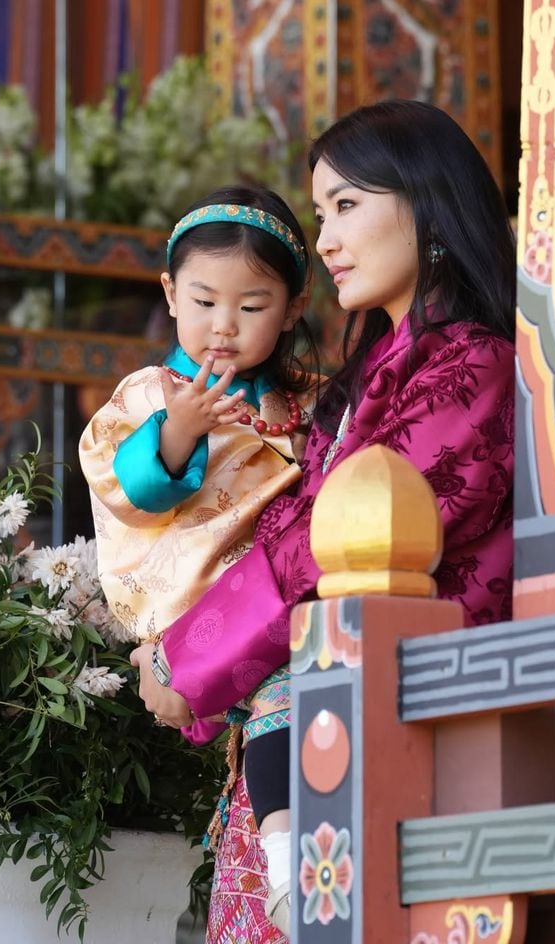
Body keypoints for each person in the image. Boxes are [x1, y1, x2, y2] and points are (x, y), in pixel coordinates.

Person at [130, 99, 516, 944]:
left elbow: (324, 550)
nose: (328, 236)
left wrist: (189, 658)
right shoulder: (373, 375)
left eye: (347, 205)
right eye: (320, 213)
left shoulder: (470, 368)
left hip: (404, 734)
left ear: (428, 202)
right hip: (316, 715)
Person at [79, 186, 323, 917]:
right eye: (205, 301)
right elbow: (128, 486)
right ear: (170, 294)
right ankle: (288, 863)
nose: (224, 326)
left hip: (290, 599)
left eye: (251, 308)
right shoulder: (153, 392)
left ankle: (282, 863)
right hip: (214, 608)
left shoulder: (305, 401)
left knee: (284, 700)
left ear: (292, 309)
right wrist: (177, 433)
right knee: (277, 698)